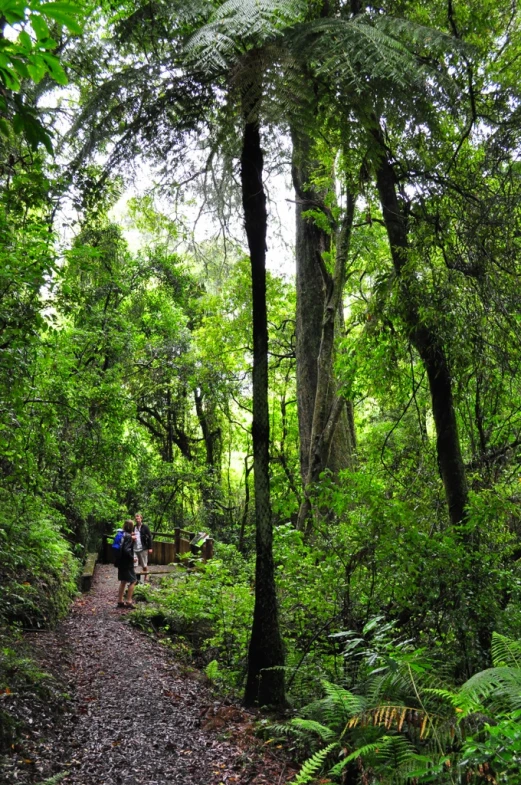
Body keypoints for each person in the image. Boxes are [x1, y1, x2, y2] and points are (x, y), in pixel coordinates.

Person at [117, 520, 137, 609]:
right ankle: (129, 601)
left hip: (120, 562)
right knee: (133, 580)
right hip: (127, 563)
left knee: (123, 581)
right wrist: (132, 558)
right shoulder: (128, 536)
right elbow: (126, 549)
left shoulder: (122, 534)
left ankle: (120, 601)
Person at [134, 512, 153, 582]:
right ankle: (134, 578)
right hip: (134, 548)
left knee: (144, 564)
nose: (137, 519)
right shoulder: (134, 527)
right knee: (134, 564)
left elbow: (149, 537)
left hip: (143, 548)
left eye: (138, 518)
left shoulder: (145, 527)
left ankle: (146, 575)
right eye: (136, 518)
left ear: (141, 519)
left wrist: (150, 547)